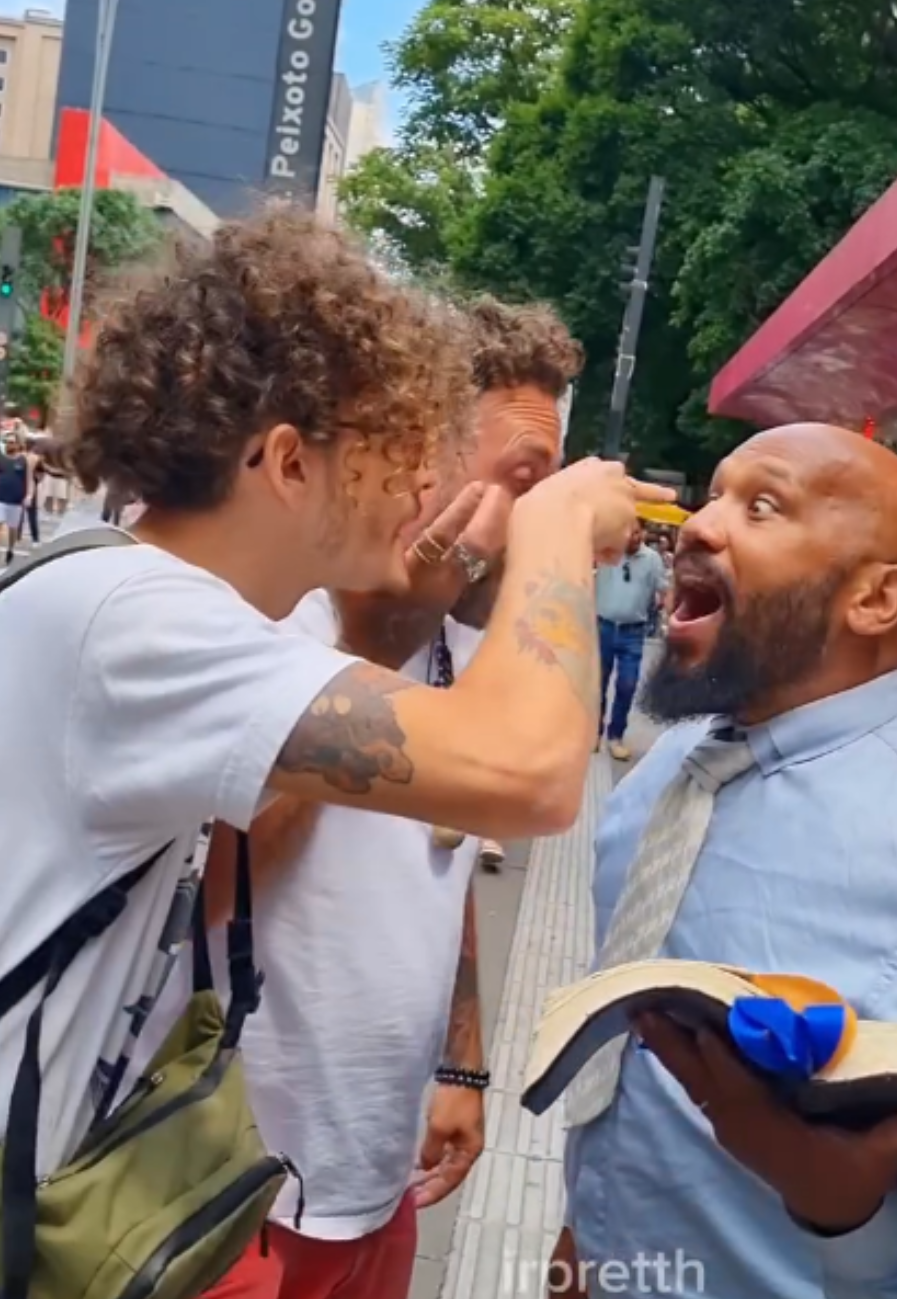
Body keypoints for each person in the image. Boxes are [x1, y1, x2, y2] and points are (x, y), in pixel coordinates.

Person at [0, 209, 662, 1200]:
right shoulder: (141, 620)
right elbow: (527, 772)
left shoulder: (136, 597)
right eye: (396, 443)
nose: (420, 480)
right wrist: (554, 523)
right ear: (289, 462)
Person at [195, 294, 585, 1299]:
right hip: (232, 1196)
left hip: (379, 1178)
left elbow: (443, 854)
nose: (529, 518)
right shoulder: (279, 621)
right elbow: (202, 896)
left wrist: (462, 1063)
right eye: (521, 481)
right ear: (421, 454)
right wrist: (366, 651)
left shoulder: (455, 642)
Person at [554, 423, 897, 1299]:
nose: (701, 524)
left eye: (761, 506)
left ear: (876, 598)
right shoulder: (676, 762)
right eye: (715, 493)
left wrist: (839, 1201)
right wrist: (581, 1248)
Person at [595, 521, 669, 762]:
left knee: (627, 685)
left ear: (643, 533)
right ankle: (594, 733)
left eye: (636, 532)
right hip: (603, 628)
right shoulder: (606, 551)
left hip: (633, 633)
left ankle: (615, 736)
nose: (632, 537)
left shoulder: (652, 560)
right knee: (597, 684)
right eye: (626, 532)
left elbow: (664, 589)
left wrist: (670, 610)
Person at [0, 429, 28, 562]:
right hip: (1, 497)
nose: (9, 444)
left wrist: (28, 495)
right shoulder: (1, 458)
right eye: (6, 442)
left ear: (17, 444)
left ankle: (10, 549)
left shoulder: (23, 460)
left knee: (12, 528)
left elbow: (27, 479)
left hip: (16, 500)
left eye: (11, 442)